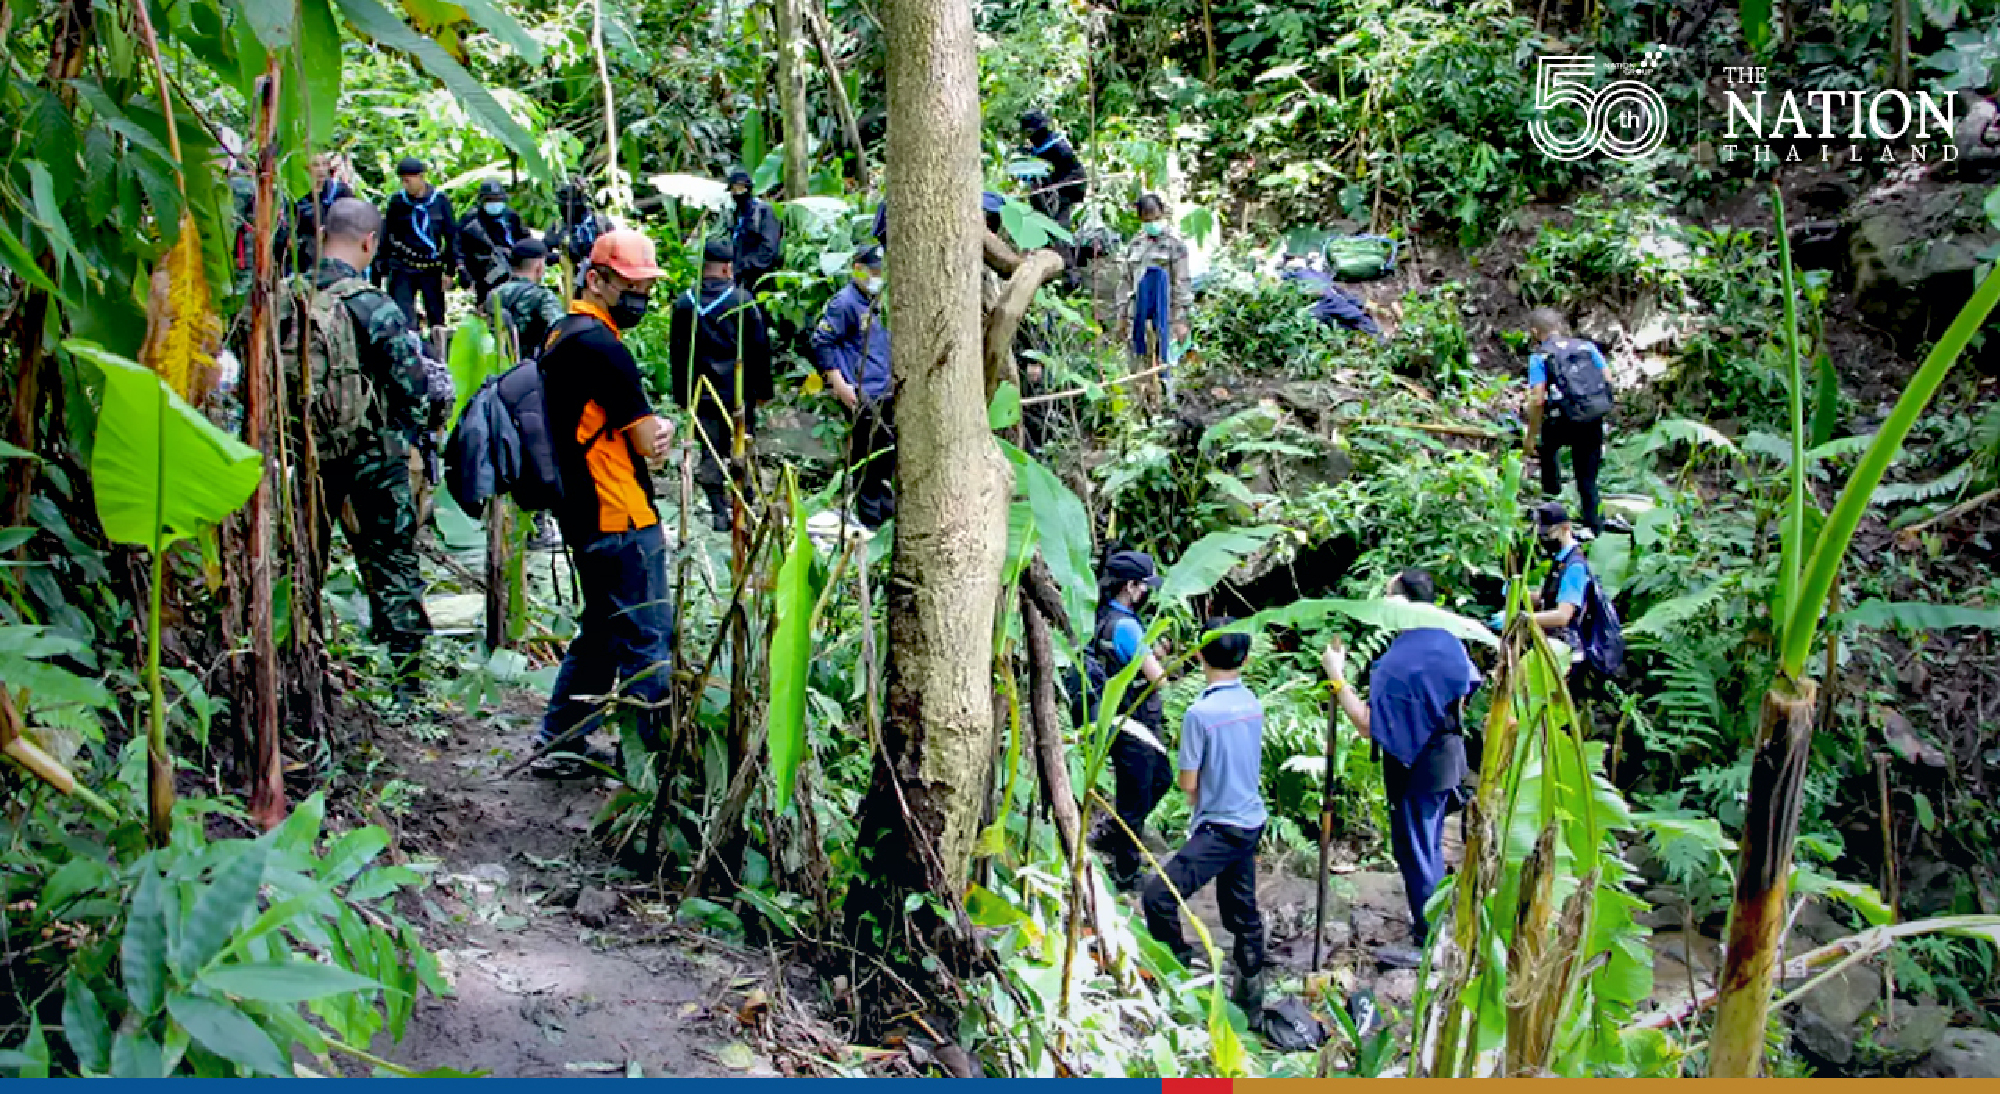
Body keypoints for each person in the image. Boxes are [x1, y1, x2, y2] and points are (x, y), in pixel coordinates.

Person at [530, 229, 677, 776]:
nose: (638, 298)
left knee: (600, 632)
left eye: (644, 286)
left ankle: (561, 741)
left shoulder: (559, 335)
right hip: (620, 516)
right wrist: (660, 427)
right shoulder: (603, 348)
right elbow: (647, 443)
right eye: (629, 286)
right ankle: (645, 767)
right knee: (645, 640)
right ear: (596, 279)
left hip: (583, 514)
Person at [291, 198, 435, 703]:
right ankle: (405, 687)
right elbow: (413, 386)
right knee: (393, 563)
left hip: (299, 452)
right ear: (370, 243)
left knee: (299, 560)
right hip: (371, 452)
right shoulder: (373, 304)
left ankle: (294, 669)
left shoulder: (285, 297)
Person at [1324, 568, 1480, 967]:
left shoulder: (1398, 662)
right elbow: (1465, 691)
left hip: (1414, 766)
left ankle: (1430, 942)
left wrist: (1337, 677)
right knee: (1430, 840)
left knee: (1415, 848)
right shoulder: (1451, 640)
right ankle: (1439, 926)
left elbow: (1367, 724)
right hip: (1449, 754)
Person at [1142, 618, 1267, 1013]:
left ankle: (1177, 972)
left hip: (1220, 825)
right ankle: (1250, 997)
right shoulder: (1252, 704)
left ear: (1199, 656)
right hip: (1249, 820)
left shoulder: (1200, 714)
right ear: (1245, 659)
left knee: (1158, 895)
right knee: (1240, 908)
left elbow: (1187, 782)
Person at [669, 238, 774, 532]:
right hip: (737, 393)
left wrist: (681, 394)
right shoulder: (741, 300)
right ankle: (745, 503)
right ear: (728, 269)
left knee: (710, 451)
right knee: (742, 447)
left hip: (701, 393)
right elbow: (759, 349)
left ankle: (718, 510)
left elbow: (677, 354)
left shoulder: (684, 303)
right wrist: (764, 391)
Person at [1090, 549, 1173, 890]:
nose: (1146, 592)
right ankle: (1126, 872)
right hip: (1134, 722)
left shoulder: (1103, 616)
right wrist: (1163, 661)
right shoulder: (1126, 625)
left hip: (1117, 718)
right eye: (1143, 586)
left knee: (1159, 779)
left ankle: (1113, 835)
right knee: (1136, 796)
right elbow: (1158, 678)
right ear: (1131, 586)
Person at [811, 246, 895, 529]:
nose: (877, 277)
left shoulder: (877, 301)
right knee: (868, 458)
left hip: (884, 390)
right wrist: (839, 384)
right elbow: (822, 343)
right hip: (862, 394)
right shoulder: (844, 303)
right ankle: (870, 520)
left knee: (886, 456)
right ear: (858, 268)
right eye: (872, 271)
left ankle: (885, 517)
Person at [1523, 307, 1617, 535]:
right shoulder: (1586, 347)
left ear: (1535, 332)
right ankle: (1595, 529)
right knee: (1587, 479)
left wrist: (1531, 437)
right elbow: (1607, 378)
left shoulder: (1540, 357)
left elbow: (1537, 400)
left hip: (1562, 421)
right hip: (1592, 417)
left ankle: (1551, 513)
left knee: (1547, 452)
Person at [1118, 194, 1193, 400]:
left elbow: (1182, 282)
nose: (1152, 223)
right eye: (1147, 220)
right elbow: (1125, 281)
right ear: (1141, 219)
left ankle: (1167, 406)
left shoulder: (1175, 244)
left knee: (1165, 361)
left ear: (1162, 214)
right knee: (1137, 362)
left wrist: (1181, 320)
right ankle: (1141, 405)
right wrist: (1122, 315)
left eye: (1155, 218)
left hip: (1166, 315)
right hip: (1138, 315)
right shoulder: (1134, 245)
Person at [382, 157, 455, 333]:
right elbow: (387, 234)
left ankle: (438, 352)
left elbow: (451, 235)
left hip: (431, 267)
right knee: (403, 316)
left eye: (409, 180)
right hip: (403, 266)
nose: (406, 185)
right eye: (403, 181)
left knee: (436, 315)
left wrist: (450, 270)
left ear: (421, 177)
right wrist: (382, 267)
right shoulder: (397, 202)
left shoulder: (440, 201)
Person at [492, 240, 567, 362]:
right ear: (539, 267)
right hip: (530, 372)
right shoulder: (543, 297)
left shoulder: (493, 295)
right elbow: (560, 334)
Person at [458, 179, 527, 307]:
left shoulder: (510, 216)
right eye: (490, 200)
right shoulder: (471, 219)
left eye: (497, 199)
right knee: (487, 305)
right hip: (482, 270)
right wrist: (462, 268)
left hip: (509, 265)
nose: (494, 203)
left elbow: (524, 238)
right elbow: (458, 246)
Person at [1018, 109, 1087, 228]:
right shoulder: (1046, 144)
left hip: (1068, 184)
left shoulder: (1056, 147)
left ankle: (1060, 243)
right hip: (1057, 185)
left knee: (1059, 218)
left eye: (1029, 133)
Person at [546, 180, 617, 290]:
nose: (562, 210)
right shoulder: (558, 227)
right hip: (571, 283)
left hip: (601, 281)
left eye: (565, 206)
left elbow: (616, 249)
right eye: (561, 205)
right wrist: (560, 259)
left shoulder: (600, 223)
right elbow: (543, 253)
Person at [290, 153, 353, 274]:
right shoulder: (297, 195)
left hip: (336, 254)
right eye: (315, 165)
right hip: (306, 257)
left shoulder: (340, 191)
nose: (321, 170)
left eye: (324, 165)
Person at [726, 169, 783, 295]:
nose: (737, 193)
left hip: (760, 280)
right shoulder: (736, 214)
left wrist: (746, 265)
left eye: (740, 189)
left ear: (748, 189)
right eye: (733, 190)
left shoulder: (763, 211)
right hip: (739, 280)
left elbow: (769, 248)